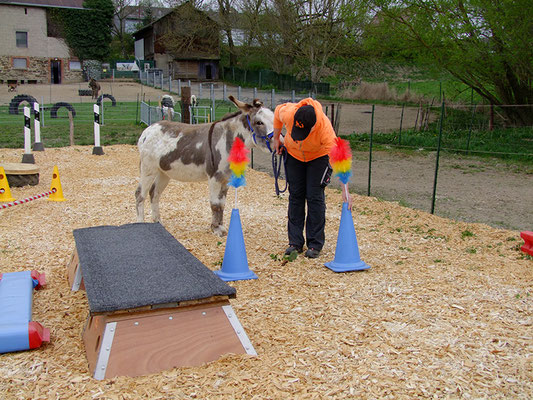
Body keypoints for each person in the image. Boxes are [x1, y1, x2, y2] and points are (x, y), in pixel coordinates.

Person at [273, 98, 353, 259]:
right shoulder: (289, 112)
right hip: (294, 155)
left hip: (318, 157)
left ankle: (315, 243)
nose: (298, 135)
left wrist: (345, 189)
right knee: (295, 195)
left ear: (313, 127)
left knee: (314, 196)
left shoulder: (325, 130)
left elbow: (339, 157)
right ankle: (294, 242)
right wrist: (276, 138)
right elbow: (276, 112)